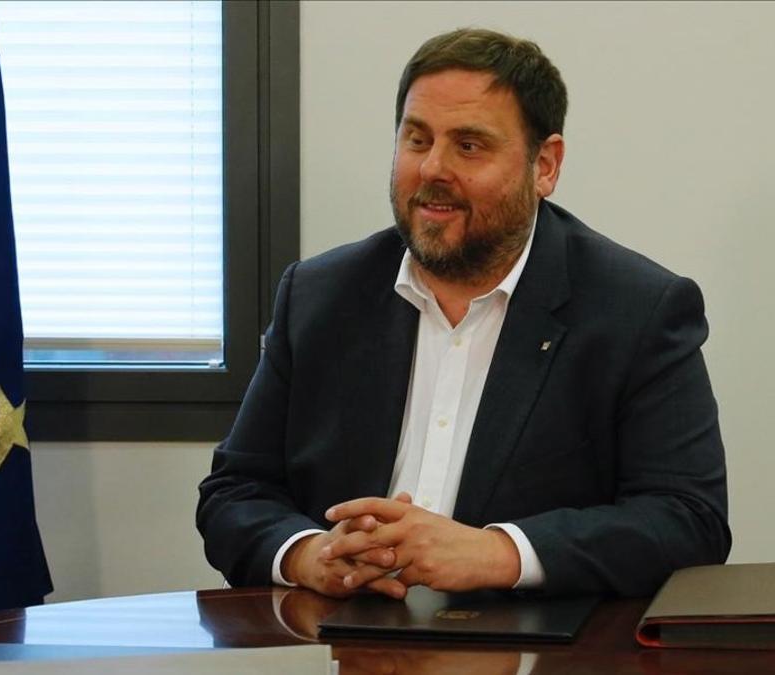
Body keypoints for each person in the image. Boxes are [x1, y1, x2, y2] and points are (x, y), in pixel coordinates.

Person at [196, 28, 730, 600]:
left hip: (533, 650)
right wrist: (307, 554)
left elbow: (687, 520)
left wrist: (500, 552)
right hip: (346, 643)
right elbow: (235, 492)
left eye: (469, 145)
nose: (432, 170)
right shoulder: (320, 295)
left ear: (544, 165)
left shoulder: (637, 309)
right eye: (417, 140)